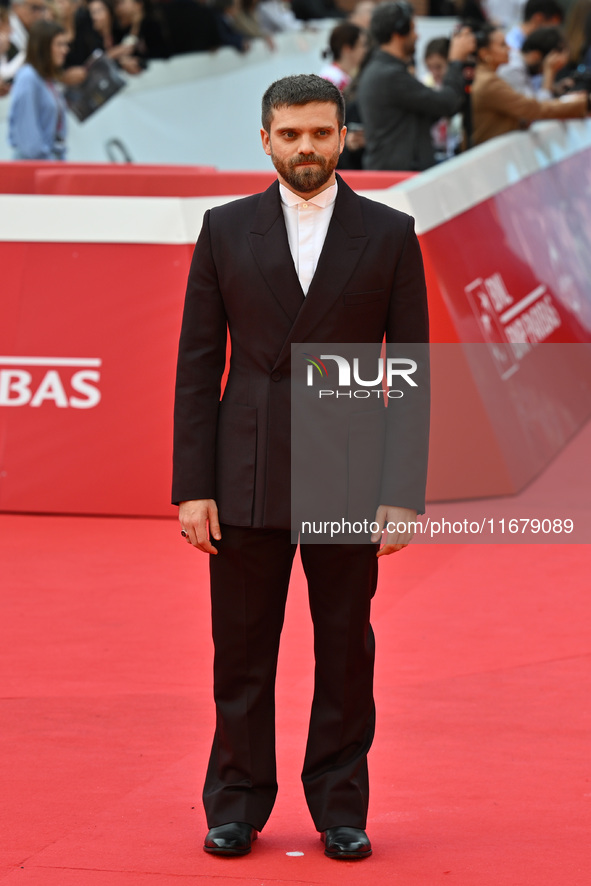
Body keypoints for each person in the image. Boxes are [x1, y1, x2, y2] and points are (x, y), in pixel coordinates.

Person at [172, 73, 429, 860]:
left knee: (344, 648)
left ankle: (340, 806)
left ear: (343, 136)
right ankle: (237, 803)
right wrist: (193, 487)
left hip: (347, 472)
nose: (305, 147)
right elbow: (195, 366)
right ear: (265, 140)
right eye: (290, 135)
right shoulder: (224, 229)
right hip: (243, 470)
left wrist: (400, 493)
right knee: (241, 651)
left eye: (319, 133)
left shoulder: (388, 234)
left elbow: (411, 370)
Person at [356, 2, 475, 170]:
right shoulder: (389, 75)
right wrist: (455, 61)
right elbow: (446, 104)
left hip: (396, 175)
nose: (417, 36)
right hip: (397, 178)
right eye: (412, 29)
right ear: (399, 33)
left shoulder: (383, 70)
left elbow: (429, 112)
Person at [470, 23, 589, 146]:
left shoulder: (488, 76)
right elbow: (533, 110)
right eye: (503, 45)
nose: (510, 49)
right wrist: (584, 103)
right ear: (484, 53)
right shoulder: (493, 80)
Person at [8, 17, 69, 158]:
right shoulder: (28, 78)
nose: (65, 50)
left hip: (50, 161)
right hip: (34, 167)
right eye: (59, 45)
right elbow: (28, 136)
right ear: (44, 47)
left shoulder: (48, 79)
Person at [498, 26, 569, 99]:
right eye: (548, 64)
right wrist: (549, 72)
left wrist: (555, 88)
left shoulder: (522, 66)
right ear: (536, 55)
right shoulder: (513, 68)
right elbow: (535, 108)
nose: (542, 73)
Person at [319, 21, 368, 91]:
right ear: (347, 48)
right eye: (362, 45)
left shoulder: (344, 76)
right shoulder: (331, 78)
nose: (365, 50)